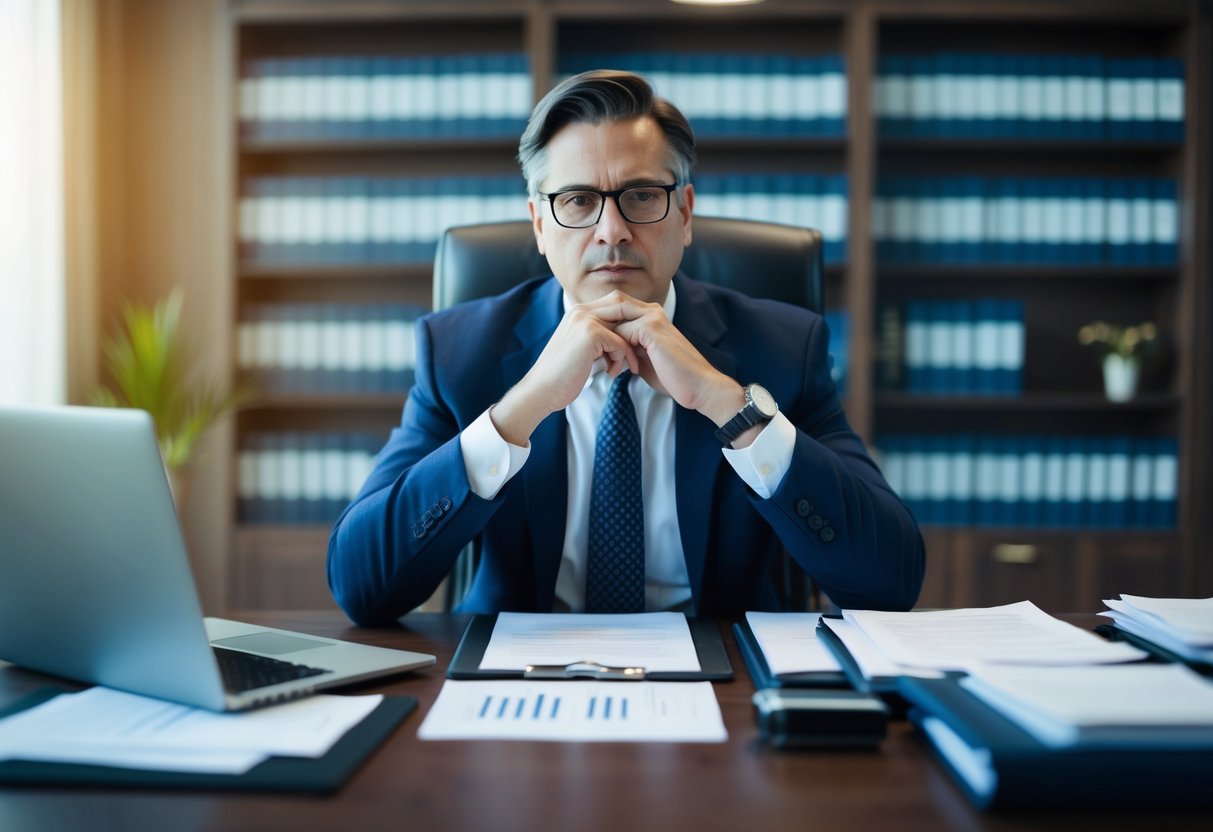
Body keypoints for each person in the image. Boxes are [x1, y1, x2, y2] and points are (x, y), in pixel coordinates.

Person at [327, 69, 924, 625]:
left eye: (641, 195)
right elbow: (362, 587)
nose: (611, 230)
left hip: (723, 679)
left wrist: (727, 404)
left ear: (685, 214)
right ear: (539, 225)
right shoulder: (459, 351)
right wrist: (522, 409)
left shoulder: (784, 349)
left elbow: (890, 583)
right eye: (578, 201)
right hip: (518, 674)